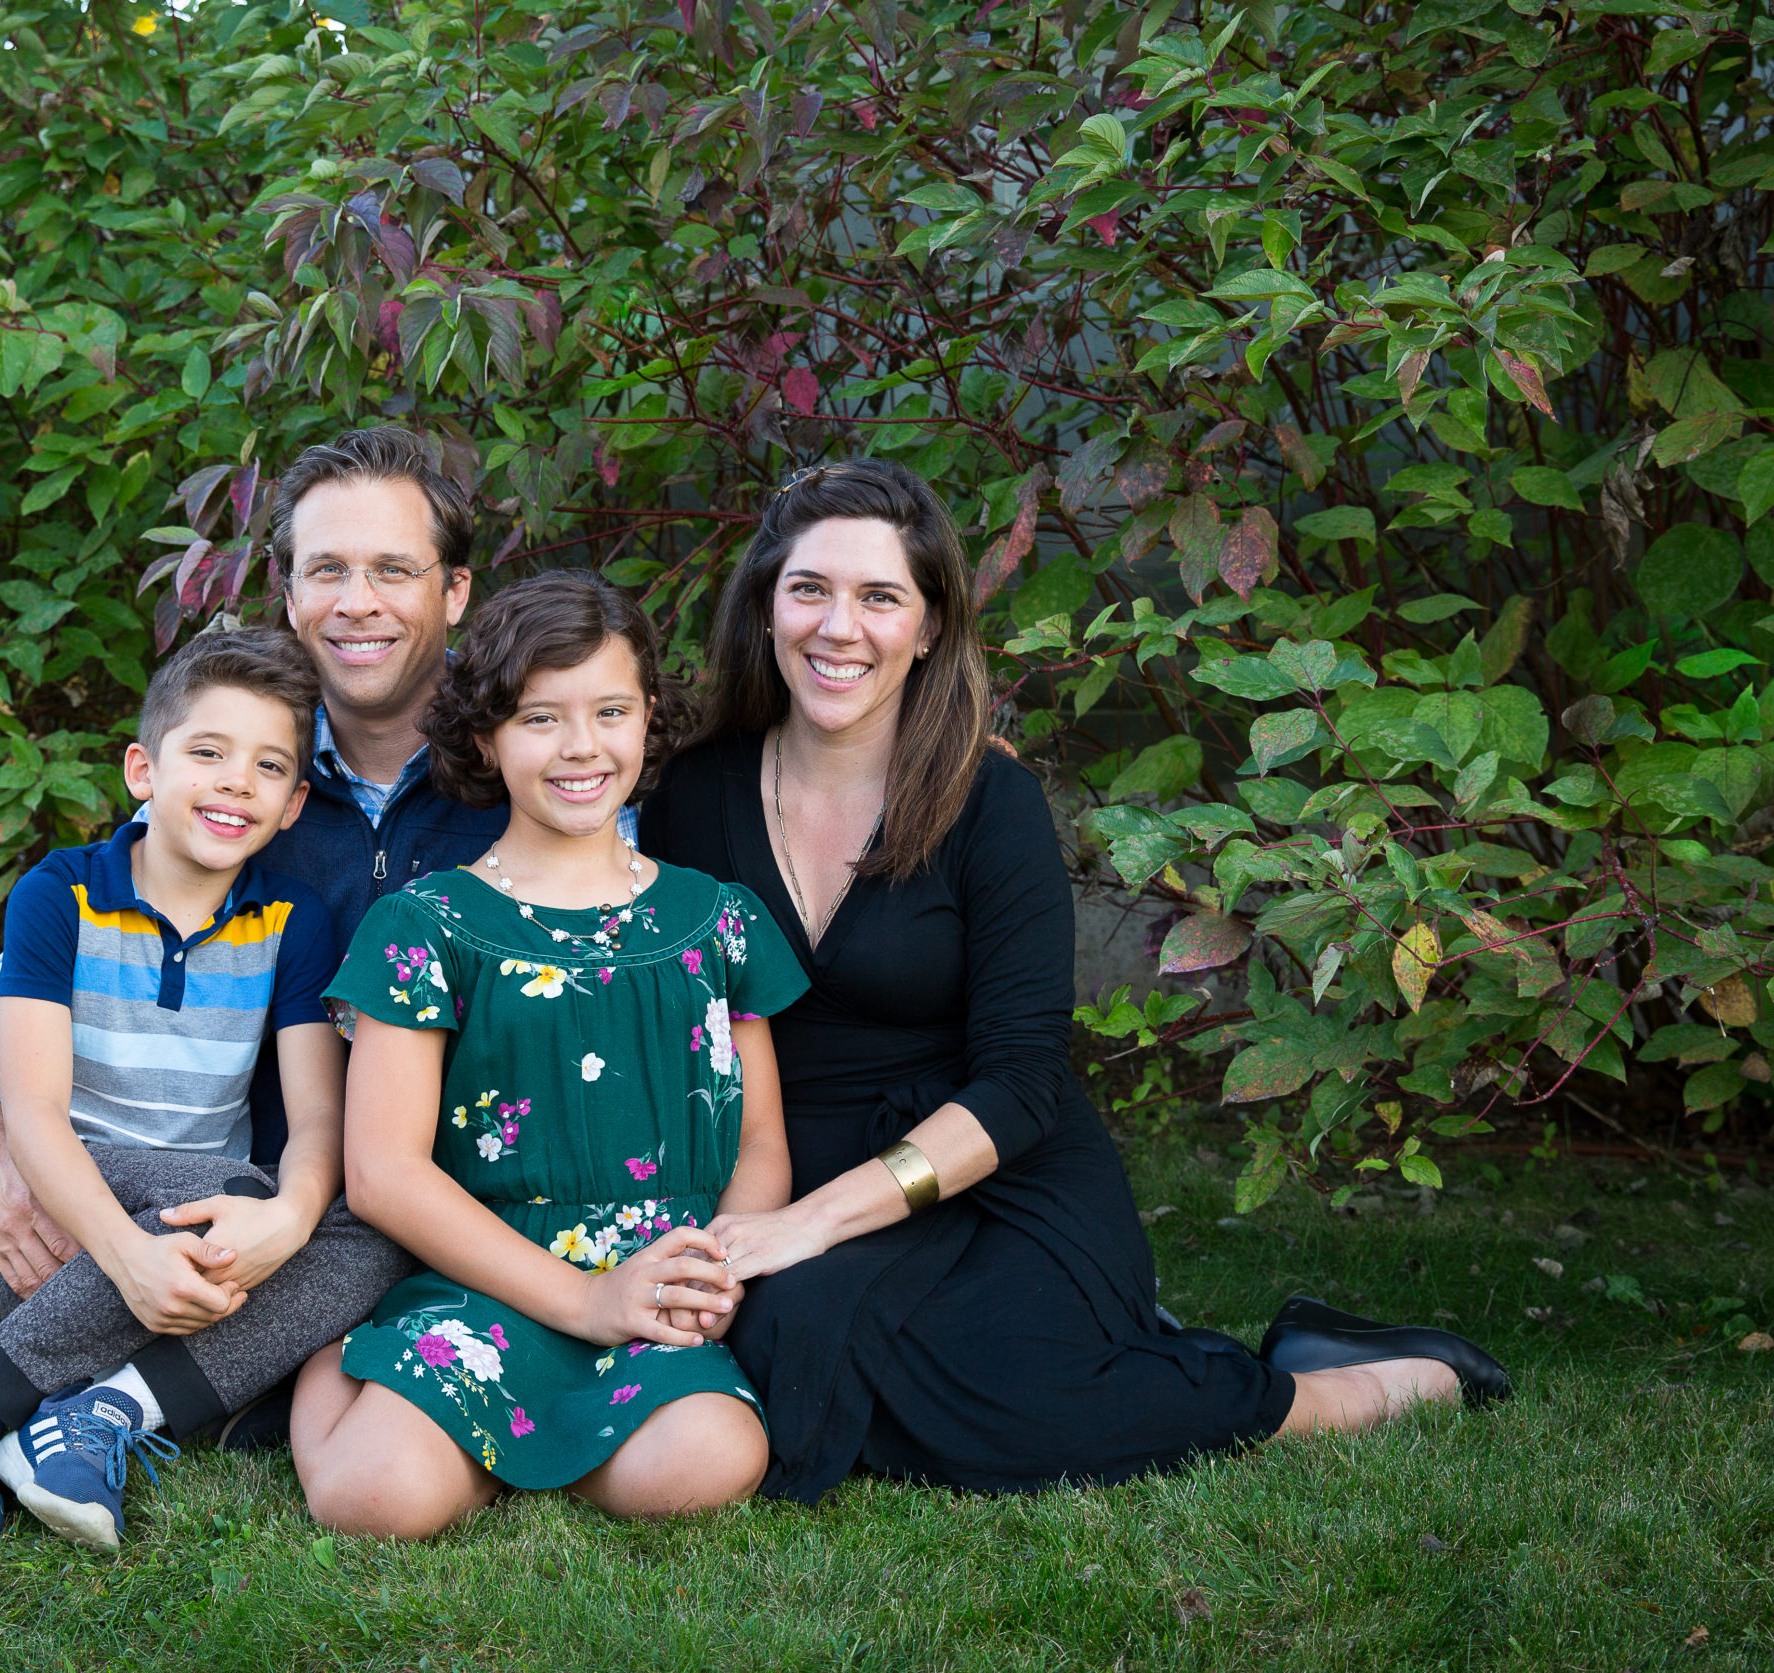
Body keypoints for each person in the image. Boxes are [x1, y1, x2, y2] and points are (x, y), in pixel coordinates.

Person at [633, 461, 1508, 1503]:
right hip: (783, 1166)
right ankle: (1108, 1347)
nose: (838, 628)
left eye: (879, 597)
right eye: (809, 589)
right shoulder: (694, 793)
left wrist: (811, 1225)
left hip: (985, 1170)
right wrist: (760, 1213)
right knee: (788, 1344)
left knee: (1011, 1409)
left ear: (929, 627)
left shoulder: (986, 800)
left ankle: (1340, 1389)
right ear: (766, 605)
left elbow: (1021, 1082)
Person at [0, 427, 514, 1419]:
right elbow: (34, 974)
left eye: (392, 571)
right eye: (327, 570)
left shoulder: (521, 777)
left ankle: (49, 1340)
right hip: (173, 1190)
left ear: (452, 593)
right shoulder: (237, 772)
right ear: (289, 596)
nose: (355, 602)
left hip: (354, 1213)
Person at [290, 572, 812, 1540]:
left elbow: (759, 1145)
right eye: (539, 718)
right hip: (490, 1280)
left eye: (610, 711)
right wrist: (579, 1300)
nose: (580, 747)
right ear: (485, 736)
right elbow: (384, 1174)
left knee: (704, 1468)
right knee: (374, 1504)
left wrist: (705, 1280)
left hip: (659, 1280)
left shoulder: (717, 921)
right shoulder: (427, 926)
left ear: (648, 719)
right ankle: (344, 1374)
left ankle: (507, 1450)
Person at [0, 627, 413, 1548]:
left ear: (291, 807)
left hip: (197, 1247)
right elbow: (34, 1117)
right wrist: (127, 1253)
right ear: (142, 768)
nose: (237, 779)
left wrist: (287, 1218)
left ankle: (100, 1414)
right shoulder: (62, 894)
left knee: (372, 1227)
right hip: (62, 1231)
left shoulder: (293, 922)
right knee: (234, 1189)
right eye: (208, 751)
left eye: (270, 765)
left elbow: (319, 1118)